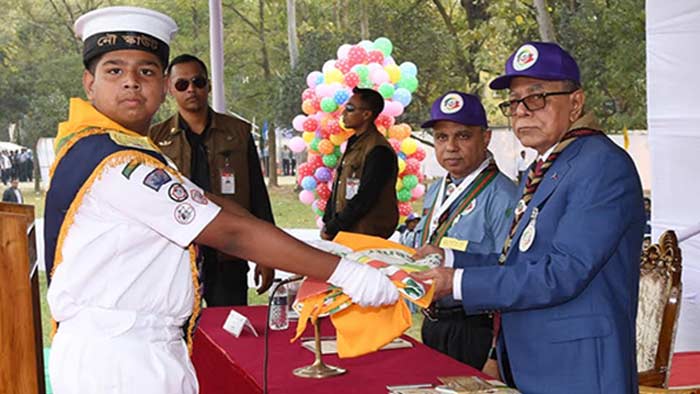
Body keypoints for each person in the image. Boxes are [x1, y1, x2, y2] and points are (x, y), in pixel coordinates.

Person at [45, 7, 398, 394]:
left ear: (162, 84)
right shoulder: (120, 164)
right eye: (114, 70)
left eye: (146, 71)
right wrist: (345, 274)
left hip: (132, 347)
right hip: (120, 361)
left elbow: (221, 206)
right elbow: (231, 233)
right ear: (88, 83)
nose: (131, 82)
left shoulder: (117, 150)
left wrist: (315, 253)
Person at [414, 42, 645, 393]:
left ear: (576, 102)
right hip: (532, 361)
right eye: (514, 102)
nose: (521, 112)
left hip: (578, 370)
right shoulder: (545, 166)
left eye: (536, 98)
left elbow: (562, 271)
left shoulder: (601, 164)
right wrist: (447, 257)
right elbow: (521, 259)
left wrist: (456, 283)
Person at [150, 54, 274, 306]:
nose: (191, 89)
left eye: (198, 82)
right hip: (178, 254)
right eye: (182, 84)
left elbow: (258, 196)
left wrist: (267, 255)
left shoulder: (238, 133)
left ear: (208, 85)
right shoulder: (155, 138)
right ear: (169, 88)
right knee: (181, 334)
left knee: (230, 328)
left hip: (229, 249)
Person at [413, 91, 518, 373]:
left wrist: (496, 354)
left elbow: (512, 275)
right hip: (434, 323)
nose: (450, 147)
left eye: (463, 136)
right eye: (441, 137)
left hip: (475, 329)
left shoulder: (503, 196)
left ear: (485, 138)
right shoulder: (436, 190)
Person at [321, 87, 398, 240]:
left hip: (365, 234)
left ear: (366, 114)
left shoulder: (379, 150)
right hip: (347, 231)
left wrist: (335, 226)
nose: (343, 113)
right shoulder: (355, 143)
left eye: (349, 108)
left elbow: (366, 197)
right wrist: (328, 221)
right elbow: (339, 184)